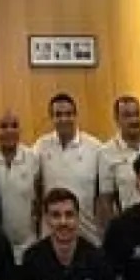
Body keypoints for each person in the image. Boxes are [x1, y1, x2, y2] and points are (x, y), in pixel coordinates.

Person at [35, 95, 103, 247]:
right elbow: (35, 188)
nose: (64, 119)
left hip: (87, 234)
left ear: (76, 115)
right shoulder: (40, 146)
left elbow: (102, 197)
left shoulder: (95, 148)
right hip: (51, 235)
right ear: (51, 118)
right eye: (58, 115)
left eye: (68, 114)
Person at [95, 95, 140, 230]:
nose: (134, 120)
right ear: (117, 120)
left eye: (137, 114)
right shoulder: (106, 153)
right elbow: (106, 201)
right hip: (130, 226)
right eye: (127, 116)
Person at [0, 113, 41, 260]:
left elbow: (39, 198)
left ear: (20, 130)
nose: (9, 130)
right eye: (4, 126)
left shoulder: (33, 158)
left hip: (27, 243)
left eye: (14, 126)